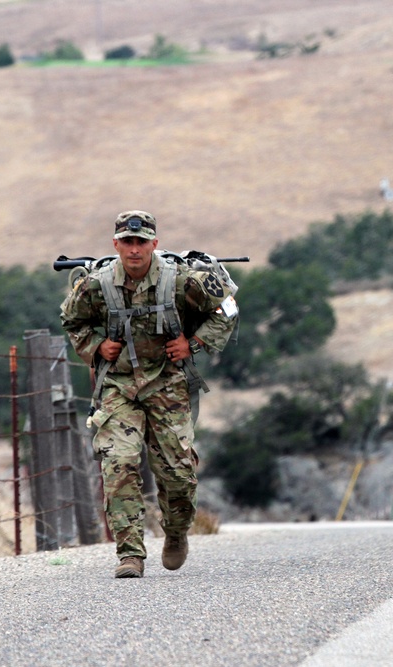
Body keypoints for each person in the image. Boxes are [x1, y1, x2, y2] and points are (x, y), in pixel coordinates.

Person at [60, 210, 237, 578]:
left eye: (142, 242)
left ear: (154, 244)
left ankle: (175, 532)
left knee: (177, 473)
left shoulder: (181, 281)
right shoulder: (97, 284)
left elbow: (227, 307)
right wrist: (95, 346)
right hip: (119, 386)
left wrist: (196, 343)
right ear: (116, 245)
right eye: (127, 242)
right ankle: (130, 554)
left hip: (168, 383)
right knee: (118, 464)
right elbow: (71, 319)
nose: (135, 249)